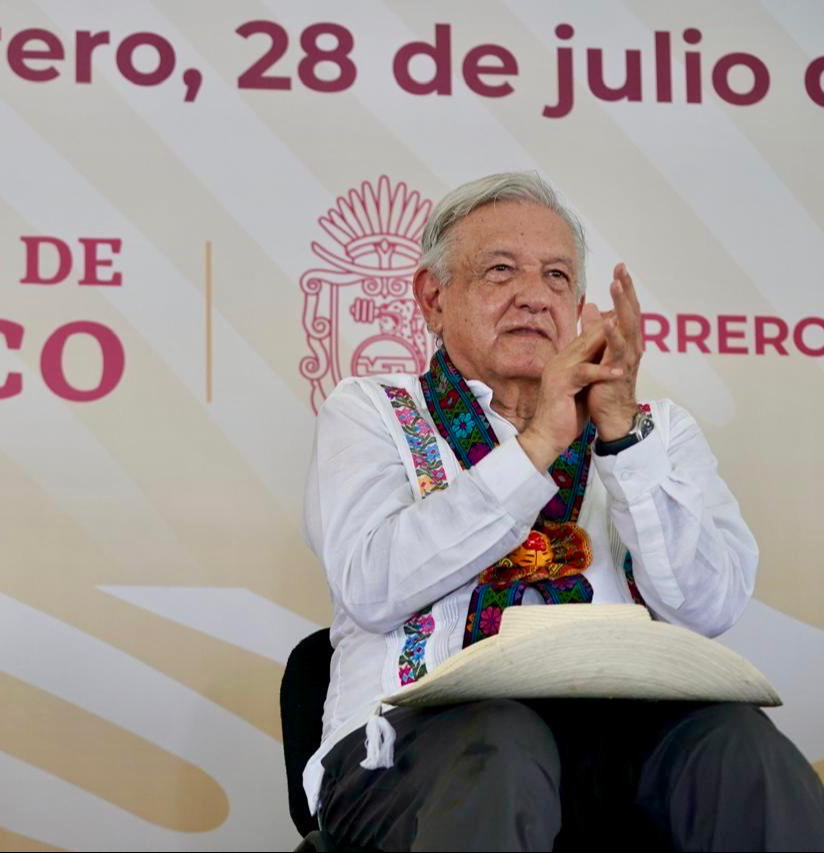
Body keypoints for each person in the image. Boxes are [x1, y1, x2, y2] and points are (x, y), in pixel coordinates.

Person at [302, 172, 824, 850]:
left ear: (578, 305)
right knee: (503, 742)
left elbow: (709, 607)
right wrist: (538, 444)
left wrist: (623, 442)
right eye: (499, 271)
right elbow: (371, 585)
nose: (533, 296)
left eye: (555, 276)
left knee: (738, 744)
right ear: (432, 298)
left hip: (620, 740)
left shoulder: (655, 430)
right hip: (411, 751)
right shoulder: (373, 411)